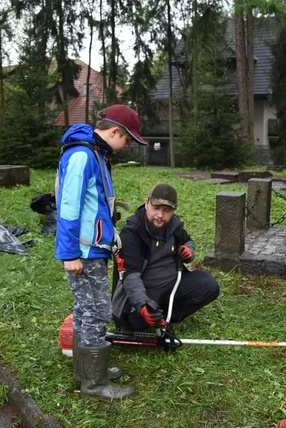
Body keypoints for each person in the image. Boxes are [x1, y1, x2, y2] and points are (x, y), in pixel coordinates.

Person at [55, 104, 146, 401]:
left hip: (91, 248)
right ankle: (94, 385)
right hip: (84, 251)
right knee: (97, 311)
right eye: (127, 139)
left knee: (85, 309)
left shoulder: (96, 154)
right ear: (115, 131)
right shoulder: (83, 155)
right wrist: (70, 254)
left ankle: (87, 372)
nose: (127, 145)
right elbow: (69, 206)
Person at [113, 183, 220, 331]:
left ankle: (169, 317)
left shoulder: (174, 225)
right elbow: (131, 276)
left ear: (173, 211)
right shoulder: (131, 233)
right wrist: (143, 305)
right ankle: (153, 313)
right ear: (146, 203)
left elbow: (188, 241)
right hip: (145, 290)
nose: (160, 215)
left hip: (172, 285)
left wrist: (188, 250)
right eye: (156, 208)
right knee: (136, 321)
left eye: (167, 210)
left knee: (209, 286)